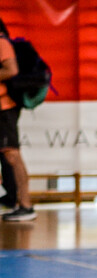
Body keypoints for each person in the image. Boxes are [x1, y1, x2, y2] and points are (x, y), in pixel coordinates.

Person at [0, 18, 34, 222]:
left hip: (4, 109)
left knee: (12, 155)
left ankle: (26, 205)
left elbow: (11, 69)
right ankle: (14, 200)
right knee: (8, 156)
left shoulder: (1, 42)